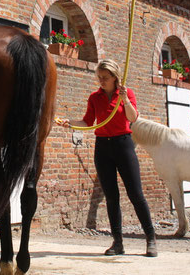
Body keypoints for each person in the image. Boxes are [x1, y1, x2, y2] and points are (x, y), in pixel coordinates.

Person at [59, 59, 157, 257]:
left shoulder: (126, 93)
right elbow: (87, 121)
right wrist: (70, 123)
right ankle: (118, 242)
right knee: (112, 197)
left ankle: (151, 238)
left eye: (105, 78)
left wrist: (125, 101)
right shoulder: (95, 97)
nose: (101, 81)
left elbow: (133, 118)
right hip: (103, 147)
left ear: (115, 77)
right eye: (99, 78)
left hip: (123, 145)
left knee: (136, 194)